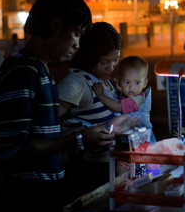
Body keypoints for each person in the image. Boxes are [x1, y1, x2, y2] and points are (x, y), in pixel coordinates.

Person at [0, 0, 118, 212]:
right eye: (76, 34)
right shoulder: (23, 71)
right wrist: (79, 138)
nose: (77, 45)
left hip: (45, 192)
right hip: (27, 201)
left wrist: (84, 133)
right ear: (56, 25)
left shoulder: (42, 71)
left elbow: (42, 136)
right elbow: (19, 150)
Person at [58, 22, 140, 194]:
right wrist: (82, 135)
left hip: (112, 167)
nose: (111, 68)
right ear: (89, 56)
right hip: (91, 172)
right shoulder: (77, 83)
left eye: (115, 59)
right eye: (104, 62)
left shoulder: (103, 80)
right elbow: (45, 128)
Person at [93, 55, 155, 143]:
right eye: (126, 82)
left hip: (142, 141)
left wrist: (101, 95)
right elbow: (122, 96)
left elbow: (118, 107)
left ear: (145, 83)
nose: (131, 87)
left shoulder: (135, 100)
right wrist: (118, 88)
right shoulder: (130, 95)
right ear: (119, 81)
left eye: (137, 82)